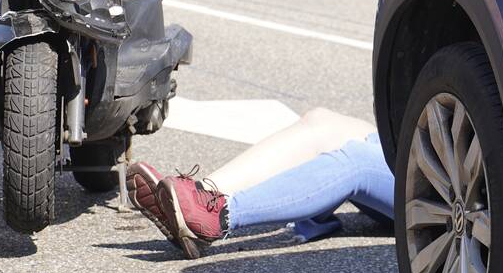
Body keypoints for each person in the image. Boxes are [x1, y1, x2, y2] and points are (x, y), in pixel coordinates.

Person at [126, 108, 394, 259]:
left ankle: (219, 218)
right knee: (322, 122)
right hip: (414, 154)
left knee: (358, 161)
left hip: (426, 185)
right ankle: (204, 196)